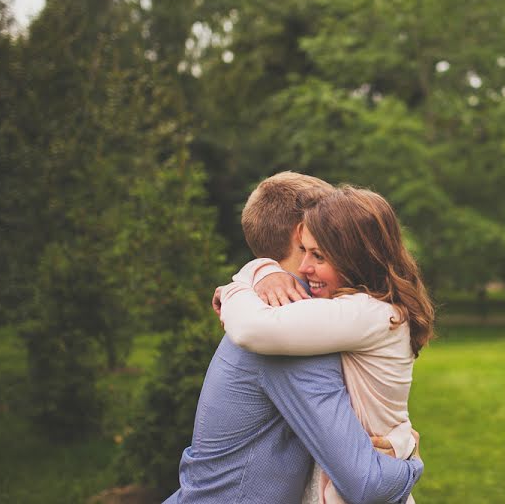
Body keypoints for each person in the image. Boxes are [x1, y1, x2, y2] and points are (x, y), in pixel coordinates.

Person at [165, 172, 423, 504]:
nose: (310, 263)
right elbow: (366, 482)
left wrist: (251, 274)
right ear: (299, 237)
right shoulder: (290, 340)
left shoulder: (293, 319)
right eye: (311, 248)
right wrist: (411, 457)